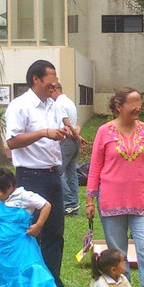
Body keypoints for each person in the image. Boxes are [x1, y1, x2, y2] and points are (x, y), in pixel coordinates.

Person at [86, 87, 144, 287]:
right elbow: (95, 167)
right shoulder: (104, 131)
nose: (138, 107)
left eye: (140, 102)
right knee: (118, 255)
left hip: (142, 200)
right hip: (111, 201)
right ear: (119, 106)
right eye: (133, 103)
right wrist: (90, 199)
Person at [5, 59, 79, 287]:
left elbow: (53, 134)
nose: (54, 85)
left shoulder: (53, 106)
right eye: (50, 80)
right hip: (30, 177)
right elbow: (12, 142)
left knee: (55, 233)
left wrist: (62, 134)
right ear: (36, 79)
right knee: (32, 232)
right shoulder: (20, 106)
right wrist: (44, 133)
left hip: (52, 175)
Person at [50, 81, 82, 215]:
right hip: (73, 142)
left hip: (67, 141)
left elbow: (67, 123)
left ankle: (70, 203)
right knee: (71, 174)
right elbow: (77, 124)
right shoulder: (69, 102)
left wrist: (75, 135)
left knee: (57, 172)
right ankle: (74, 205)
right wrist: (77, 136)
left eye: (50, 90)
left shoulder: (58, 103)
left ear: (55, 89)